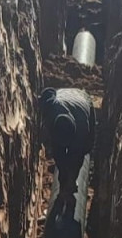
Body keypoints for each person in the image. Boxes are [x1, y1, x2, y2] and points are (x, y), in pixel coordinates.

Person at [38, 87, 96, 217]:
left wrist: (70, 181)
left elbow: (77, 158)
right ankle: (64, 186)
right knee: (62, 160)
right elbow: (48, 92)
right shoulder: (51, 113)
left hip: (84, 101)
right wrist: (62, 179)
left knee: (86, 148)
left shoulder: (81, 131)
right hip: (63, 95)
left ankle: (69, 188)